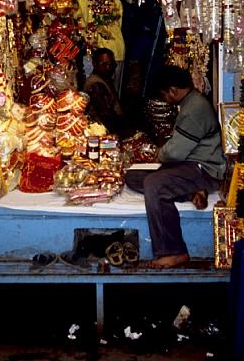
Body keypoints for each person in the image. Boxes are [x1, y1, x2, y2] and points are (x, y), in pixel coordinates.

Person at [125, 64, 227, 269]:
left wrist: (160, 153)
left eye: (164, 95)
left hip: (204, 169)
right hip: (190, 165)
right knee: (133, 176)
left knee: (154, 184)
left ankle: (174, 251)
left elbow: (175, 153)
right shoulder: (192, 102)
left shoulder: (194, 108)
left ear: (173, 90)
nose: (165, 100)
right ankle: (191, 193)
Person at [83, 47, 130, 138]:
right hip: (103, 133)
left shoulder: (104, 79)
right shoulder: (95, 84)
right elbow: (107, 117)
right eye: (103, 64)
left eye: (110, 64)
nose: (108, 68)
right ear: (94, 64)